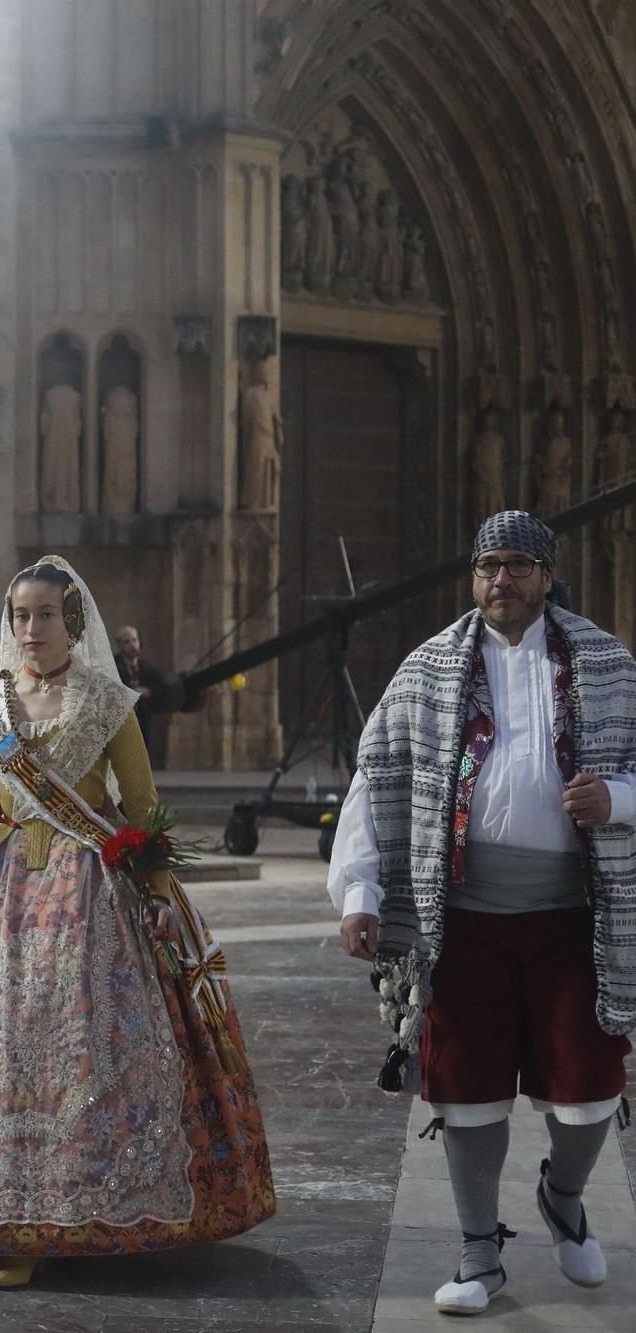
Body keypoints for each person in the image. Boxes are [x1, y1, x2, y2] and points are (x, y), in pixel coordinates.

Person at [0, 556, 274, 1286]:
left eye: (45, 615)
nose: (31, 629)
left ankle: (86, 1208)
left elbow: (141, 801)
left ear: (75, 623)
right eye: (20, 616)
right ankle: (7, 1217)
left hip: (86, 891)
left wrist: (157, 893)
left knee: (77, 1052)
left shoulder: (107, 702)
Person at [330, 510, 636, 1317]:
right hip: (459, 916)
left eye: (518, 566)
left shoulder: (606, 662)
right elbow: (376, 777)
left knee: (590, 1090)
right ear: (474, 576)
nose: (502, 580)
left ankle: (563, 1196)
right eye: (488, 566)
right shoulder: (429, 668)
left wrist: (618, 798)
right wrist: (360, 892)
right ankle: (476, 1252)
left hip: (576, 915)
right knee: (465, 1088)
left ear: (547, 575)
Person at [114, 624, 180, 760]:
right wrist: (131, 691)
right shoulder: (114, 666)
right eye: (127, 642)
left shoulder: (147, 668)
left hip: (143, 721)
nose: (132, 645)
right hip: (120, 723)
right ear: (120, 645)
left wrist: (149, 692)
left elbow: (163, 686)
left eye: (134, 640)